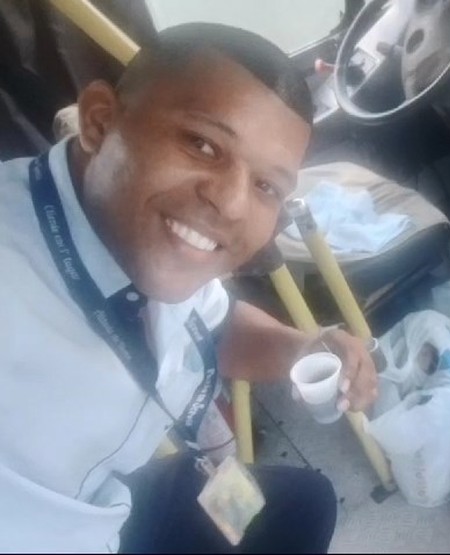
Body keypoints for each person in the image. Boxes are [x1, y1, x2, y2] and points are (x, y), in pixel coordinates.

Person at [0, 23, 378, 552]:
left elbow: (210, 326)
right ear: (100, 121)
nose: (232, 204)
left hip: (117, 488)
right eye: (202, 145)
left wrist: (302, 348)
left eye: (266, 186)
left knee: (302, 505)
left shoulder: (141, 238)